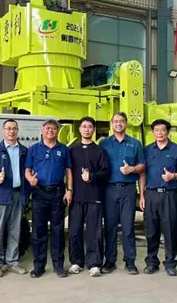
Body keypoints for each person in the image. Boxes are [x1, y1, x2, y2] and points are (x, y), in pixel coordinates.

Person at [139, 119, 177, 277]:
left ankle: (170, 263)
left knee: (170, 230)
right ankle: (152, 262)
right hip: (151, 194)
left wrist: (173, 176)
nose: (159, 133)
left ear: (168, 132)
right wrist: (142, 195)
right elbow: (142, 173)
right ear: (152, 132)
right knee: (151, 230)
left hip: (169, 195)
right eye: (156, 130)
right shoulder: (147, 150)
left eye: (162, 130)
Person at [25, 119, 73, 278]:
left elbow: (69, 172)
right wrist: (30, 179)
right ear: (42, 130)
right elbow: (27, 170)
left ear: (57, 131)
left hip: (57, 193)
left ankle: (58, 266)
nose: (50, 130)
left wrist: (69, 190)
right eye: (47, 128)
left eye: (53, 128)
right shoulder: (34, 149)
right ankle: (38, 266)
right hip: (39, 193)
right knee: (38, 231)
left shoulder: (63, 149)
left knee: (58, 230)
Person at [99, 112, 145, 275]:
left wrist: (131, 169)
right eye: (115, 121)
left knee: (128, 226)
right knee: (110, 226)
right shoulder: (103, 143)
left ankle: (130, 261)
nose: (118, 124)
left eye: (121, 121)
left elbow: (142, 167)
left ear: (126, 124)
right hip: (109, 189)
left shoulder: (135, 144)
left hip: (128, 189)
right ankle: (110, 261)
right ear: (111, 123)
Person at [68, 117, 110, 277]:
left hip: (94, 197)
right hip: (76, 197)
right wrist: (69, 190)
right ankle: (76, 262)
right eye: (84, 126)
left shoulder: (100, 151)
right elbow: (67, 172)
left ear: (94, 130)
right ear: (79, 129)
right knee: (74, 231)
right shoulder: (72, 150)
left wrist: (91, 176)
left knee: (94, 232)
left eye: (90, 127)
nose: (87, 129)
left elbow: (105, 173)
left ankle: (94, 263)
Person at [0, 118, 30, 278]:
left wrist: (27, 194)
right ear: (3, 131)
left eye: (14, 129)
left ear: (17, 131)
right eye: (8, 128)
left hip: (19, 194)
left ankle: (12, 261)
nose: (11, 131)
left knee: (15, 229)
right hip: (2, 195)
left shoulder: (24, 151)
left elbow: (27, 172)